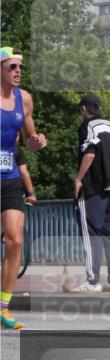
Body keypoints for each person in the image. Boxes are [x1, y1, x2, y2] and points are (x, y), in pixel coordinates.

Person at [1, 46, 46, 331]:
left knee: (15, 241)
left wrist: (36, 142)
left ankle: (3, 307)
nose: (18, 72)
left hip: (9, 177)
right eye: (12, 67)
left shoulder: (24, 99)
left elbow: (29, 137)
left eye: (20, 68)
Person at [70, 94, 110, 294]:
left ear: (84, 108)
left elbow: (90, 153)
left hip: (93, 188)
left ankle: (93, 281)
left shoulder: (88, 126)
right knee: (109, 235)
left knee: (90, 233)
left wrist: (78, 179)